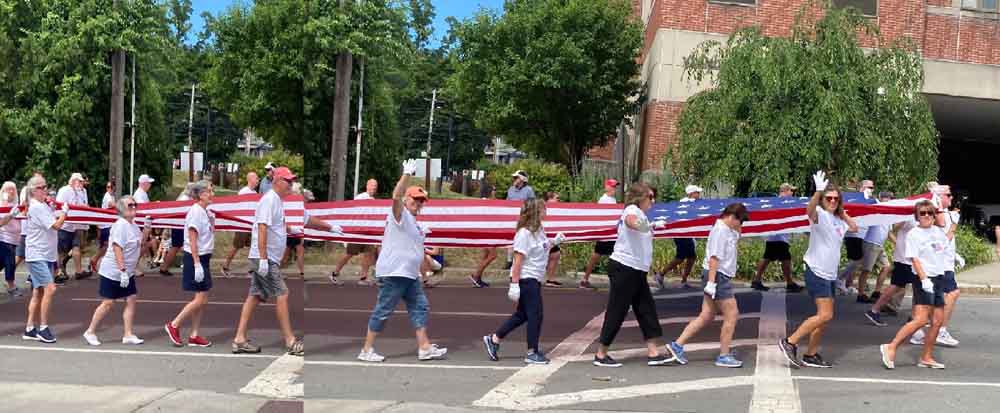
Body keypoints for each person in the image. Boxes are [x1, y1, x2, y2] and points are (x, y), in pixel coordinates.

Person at [357, 161, 447, 362]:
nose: (419, 203)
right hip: (394, 273)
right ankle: (366, 349)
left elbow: (417, 250)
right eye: (415, 199)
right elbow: (396, 196)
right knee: (383, 311)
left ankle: (424, 347)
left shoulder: (414, 223)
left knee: (420, 307)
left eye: (422, 201)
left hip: (408, 273)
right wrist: (406, 174)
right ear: (407, 199)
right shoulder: (400, 214)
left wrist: (424, 270)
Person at [778, 171, 857, 368]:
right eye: (828, 198)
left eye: (835, 199)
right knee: (825, 315)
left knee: (824, 318)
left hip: (830, 274)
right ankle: (790, 341)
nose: (832, 201)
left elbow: (854, 228)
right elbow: (809, 211)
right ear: (823, 200)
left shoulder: (838, 220)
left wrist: (842, 211)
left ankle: (811, 354)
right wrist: (817, 192)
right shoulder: (820, 215)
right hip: (817, 270)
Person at [593, 182, 672, 368]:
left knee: (646, 308)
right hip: (624, 267)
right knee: (617, 310)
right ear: (640, 198)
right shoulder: (632, 209)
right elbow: (630, 221)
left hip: (636, 270)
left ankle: (653, 352)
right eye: (650, 197)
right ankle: (601, 353)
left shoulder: (642, 215)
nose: (653, 201)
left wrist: (650, 225)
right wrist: (642, 225)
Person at [483, 198, 565, 365]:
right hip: (526, 278)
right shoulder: (524, 234)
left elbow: (541, 248)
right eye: (543, 208)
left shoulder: (539, 230)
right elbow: (518, 260)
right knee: (536, 315)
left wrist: (554, 242)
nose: (546, 211)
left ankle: (494, 339)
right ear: (536, 212)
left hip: (534, 277)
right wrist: (514, 284)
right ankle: (531, 351)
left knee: (522, 314)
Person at [232, 167, 304, 356]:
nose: (291, 185)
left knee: (255, 295)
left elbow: (275, 225)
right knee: (283, 293)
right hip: (265, 258)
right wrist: (263, 259)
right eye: (288, 181)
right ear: (278, 181)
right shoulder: (270, 200)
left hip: (267, 257)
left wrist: (291, 229)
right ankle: (290, 341)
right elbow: (262, 228)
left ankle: (239, 338)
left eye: (291, 181)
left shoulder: (277, 201)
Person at [668, 203, 750, 368]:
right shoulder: (720, 231)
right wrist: (712, 283)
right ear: (733, 217)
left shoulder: (727, 229)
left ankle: (677, 345)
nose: (741, 225)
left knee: (707, 314)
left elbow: (737, 236)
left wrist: (738, 225)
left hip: (716, 275)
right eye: (740, 221)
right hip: (718, 276)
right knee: (732, 314)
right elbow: (714, 258)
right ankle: (724, 355)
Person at [879, 200, 950, 370]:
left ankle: (926, 356)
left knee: (938, 321)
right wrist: (924, 280)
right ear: (917, 216)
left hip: (939, 277)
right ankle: (891, 346)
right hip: (923, 279)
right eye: (922, 213)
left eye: (929, 213)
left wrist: (954, 258)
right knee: (920, 319)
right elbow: (915, 259)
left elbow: (942, 246)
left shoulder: (937, 231)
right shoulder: (914, 234)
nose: (926, 216)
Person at [82, 196, 152, 346]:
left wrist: (146, 228)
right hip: (114, 271)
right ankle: (90, 331)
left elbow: (141, 244)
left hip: (127, 272)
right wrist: (123, 271)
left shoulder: (132, 225)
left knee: (131, 299)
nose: (133, 207)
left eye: (135, 205)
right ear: (121, 210)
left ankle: (128, 334)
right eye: (130, 205)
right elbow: (117, 248)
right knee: (108, 303)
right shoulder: (121, 225)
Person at [164, 181, 217, 348]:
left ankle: (194, 334)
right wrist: (196, 263)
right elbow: (193, 238)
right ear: (201, 194)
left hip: (204, 257)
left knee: (202, 298)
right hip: (197, 257)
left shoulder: (205, 212)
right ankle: (174, 324)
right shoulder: (196, 212)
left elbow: (206, 234)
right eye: (209, 191)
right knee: (200, 299)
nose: (212, 194)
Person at [910, 185, 961, 347]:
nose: (951, 198)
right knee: (951, 293)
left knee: (926, 306)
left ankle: (921, 333)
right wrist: (953, 225)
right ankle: (939, 331)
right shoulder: (939, 215)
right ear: (939, 197)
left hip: (942, 263)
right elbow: (939, 238)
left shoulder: (944, 214)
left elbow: (942, 242)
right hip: (940, 266)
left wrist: (956, 255)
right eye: (948, 194)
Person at [23, 175, 69, 343]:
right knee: (50, 289)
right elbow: (56, 225)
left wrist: (56, 210)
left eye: (46, 186)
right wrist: (64, 213)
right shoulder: (37, 207)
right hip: (37, 255)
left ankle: (29, 328)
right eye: (42, 187)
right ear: (34, 190)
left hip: (44, 254)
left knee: (38, 291)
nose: (46, 190)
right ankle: (43, 328)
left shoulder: (42, 206)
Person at [751, 183, 804, 292]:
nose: (792, 193)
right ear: (785, 191)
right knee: (785, 258)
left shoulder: (782, 202)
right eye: (791, 191)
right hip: (778, 236)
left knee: (768, 257)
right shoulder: (779, 202)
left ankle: (756, 280)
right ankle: (789, 283)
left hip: (777, 236)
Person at [331, 178, 379, 286]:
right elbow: (353, 210)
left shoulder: (374, 200)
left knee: (369, 254)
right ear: (367, 186)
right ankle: (335, 273)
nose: (374, 188)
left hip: (367, 232)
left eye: (375, 186)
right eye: (372, 185)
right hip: (357, 231)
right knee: (350, 254)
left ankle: (363, 278)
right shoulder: (361, 197)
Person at [656, 185, 703, 289]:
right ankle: (661, 274)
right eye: (697, 193)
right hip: (681, 234)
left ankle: (683, 280)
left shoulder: (690, 203)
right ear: (691, 194)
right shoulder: (686, 203)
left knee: (691, 257)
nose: (699, 195)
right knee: (681, 257)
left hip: (686, 233)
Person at [855, 192, 894, 303]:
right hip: (870, 243)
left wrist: (897, 243)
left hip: (879, 245)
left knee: (887, 267)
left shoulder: (889, 215)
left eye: (890, 198)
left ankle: (876, 292)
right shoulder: (875, 210)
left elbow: (889, 233)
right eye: (885, 198)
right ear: (881, 198)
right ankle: (860, 294)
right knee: (866, 270)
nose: (888, 200)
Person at [837, 179, 874, 295]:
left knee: (855, 260)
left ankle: (845, 283)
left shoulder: (870, 200)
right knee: (857, 259)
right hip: (853, 234)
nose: (871, 190)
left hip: (862, 234)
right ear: (861, 188)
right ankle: (839, 278)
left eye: (872, 188)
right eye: (869, 187)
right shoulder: (854, 199)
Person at [581, 179, 619, 289]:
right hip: (606, 232)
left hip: (611, 232)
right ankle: (585, 279)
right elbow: (602, 215)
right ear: (606, 187)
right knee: (598, 255)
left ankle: (586, 279)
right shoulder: (604, 199)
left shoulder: (612, 199)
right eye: (612, 186)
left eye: (615, 187)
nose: (614, 189)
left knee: (605, 255)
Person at [222, 172, 259, 276]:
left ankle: (252, 269)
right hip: (242, 225)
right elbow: (238, 207)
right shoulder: (243, 192)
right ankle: (225, 266)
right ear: (250, 179)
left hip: (252, 225)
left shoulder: (255, 194)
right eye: (256, 178)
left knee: (254, 246)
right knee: (236, 246)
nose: (257, 180)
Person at [56, 173, 91, 282]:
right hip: (65, 225)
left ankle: (78, 271)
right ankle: (59, 272)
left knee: (77, 247)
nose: (81, 183)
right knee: (61, 251)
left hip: (76, 225)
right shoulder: (64, 190)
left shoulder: (80, 191)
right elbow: (60, 205)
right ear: (73, 181)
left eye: (81, 182)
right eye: (79, 181)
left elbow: (81, 206)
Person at [498, 170, 536, 272]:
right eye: (514, 178)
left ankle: (523, 261)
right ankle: (509, 261)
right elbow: (507, 203)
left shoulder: (529, 190)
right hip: (511, 218)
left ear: (522, 179)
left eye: (516, 178)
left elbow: (532, 205)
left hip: (524, 219)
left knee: (523, 240)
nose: (514, 179)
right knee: (511, 239)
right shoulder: (510, 189)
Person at [156, 188, 192, 277]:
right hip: (179, 225)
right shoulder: (185, 199)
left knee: (178, 247)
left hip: (179, 224)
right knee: (177, 247)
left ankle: (164, 267)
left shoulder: (184, 198)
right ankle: (164, 267)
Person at [88, 182, 117, 276]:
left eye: (111, 187)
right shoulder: (108, 196)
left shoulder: (111, 196)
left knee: (107, 246)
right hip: (106, 225)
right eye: (108, 187)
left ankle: (94, 260)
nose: (109, 188)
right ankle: (94, 260)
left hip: (108, 225)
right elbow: (111, 204)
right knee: (107, 246)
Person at [283, 183, 308, 278]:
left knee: (285, 253)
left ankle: (277, 272)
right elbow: (304, 216)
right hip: (298, 231)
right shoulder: (301, 201)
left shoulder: (285, 199)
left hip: (288, 230)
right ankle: (302, 273)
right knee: (300, 253)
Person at [1, 182, 22, 296]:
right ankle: (11, 286)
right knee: (10, 262)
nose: (11, 192)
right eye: (8, 189)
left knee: (3, 263)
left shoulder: (16, 205)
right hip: (4, 238)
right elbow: (1, 223)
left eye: (13, 189)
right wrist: (10, 215)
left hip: (14, 239)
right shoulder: (1, 205)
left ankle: (10, 285)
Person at [543, 191, 563, 287]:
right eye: (556, 198)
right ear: (549, 199)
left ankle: (550, 279)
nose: (558, 200)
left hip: (551, 238)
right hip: (543, 238)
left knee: (555, 254)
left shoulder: (557, 209)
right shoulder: (543, 209)